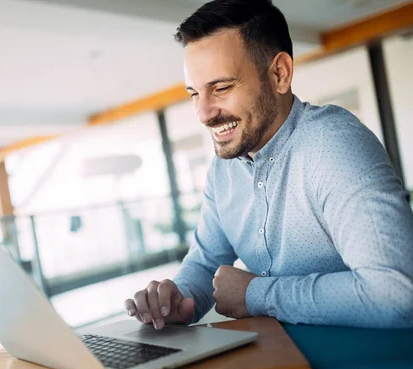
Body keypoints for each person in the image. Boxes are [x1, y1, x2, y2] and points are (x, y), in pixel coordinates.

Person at [124, 0, 413, 329]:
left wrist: (256, 293)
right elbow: (205, 265)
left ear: (279, 74)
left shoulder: (333, 146)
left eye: (221, 88)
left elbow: (398, 294)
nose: (203, 114)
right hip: (286, 362)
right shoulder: (225, 169)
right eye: (194, 93)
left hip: (370, 367)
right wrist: (177, 299)